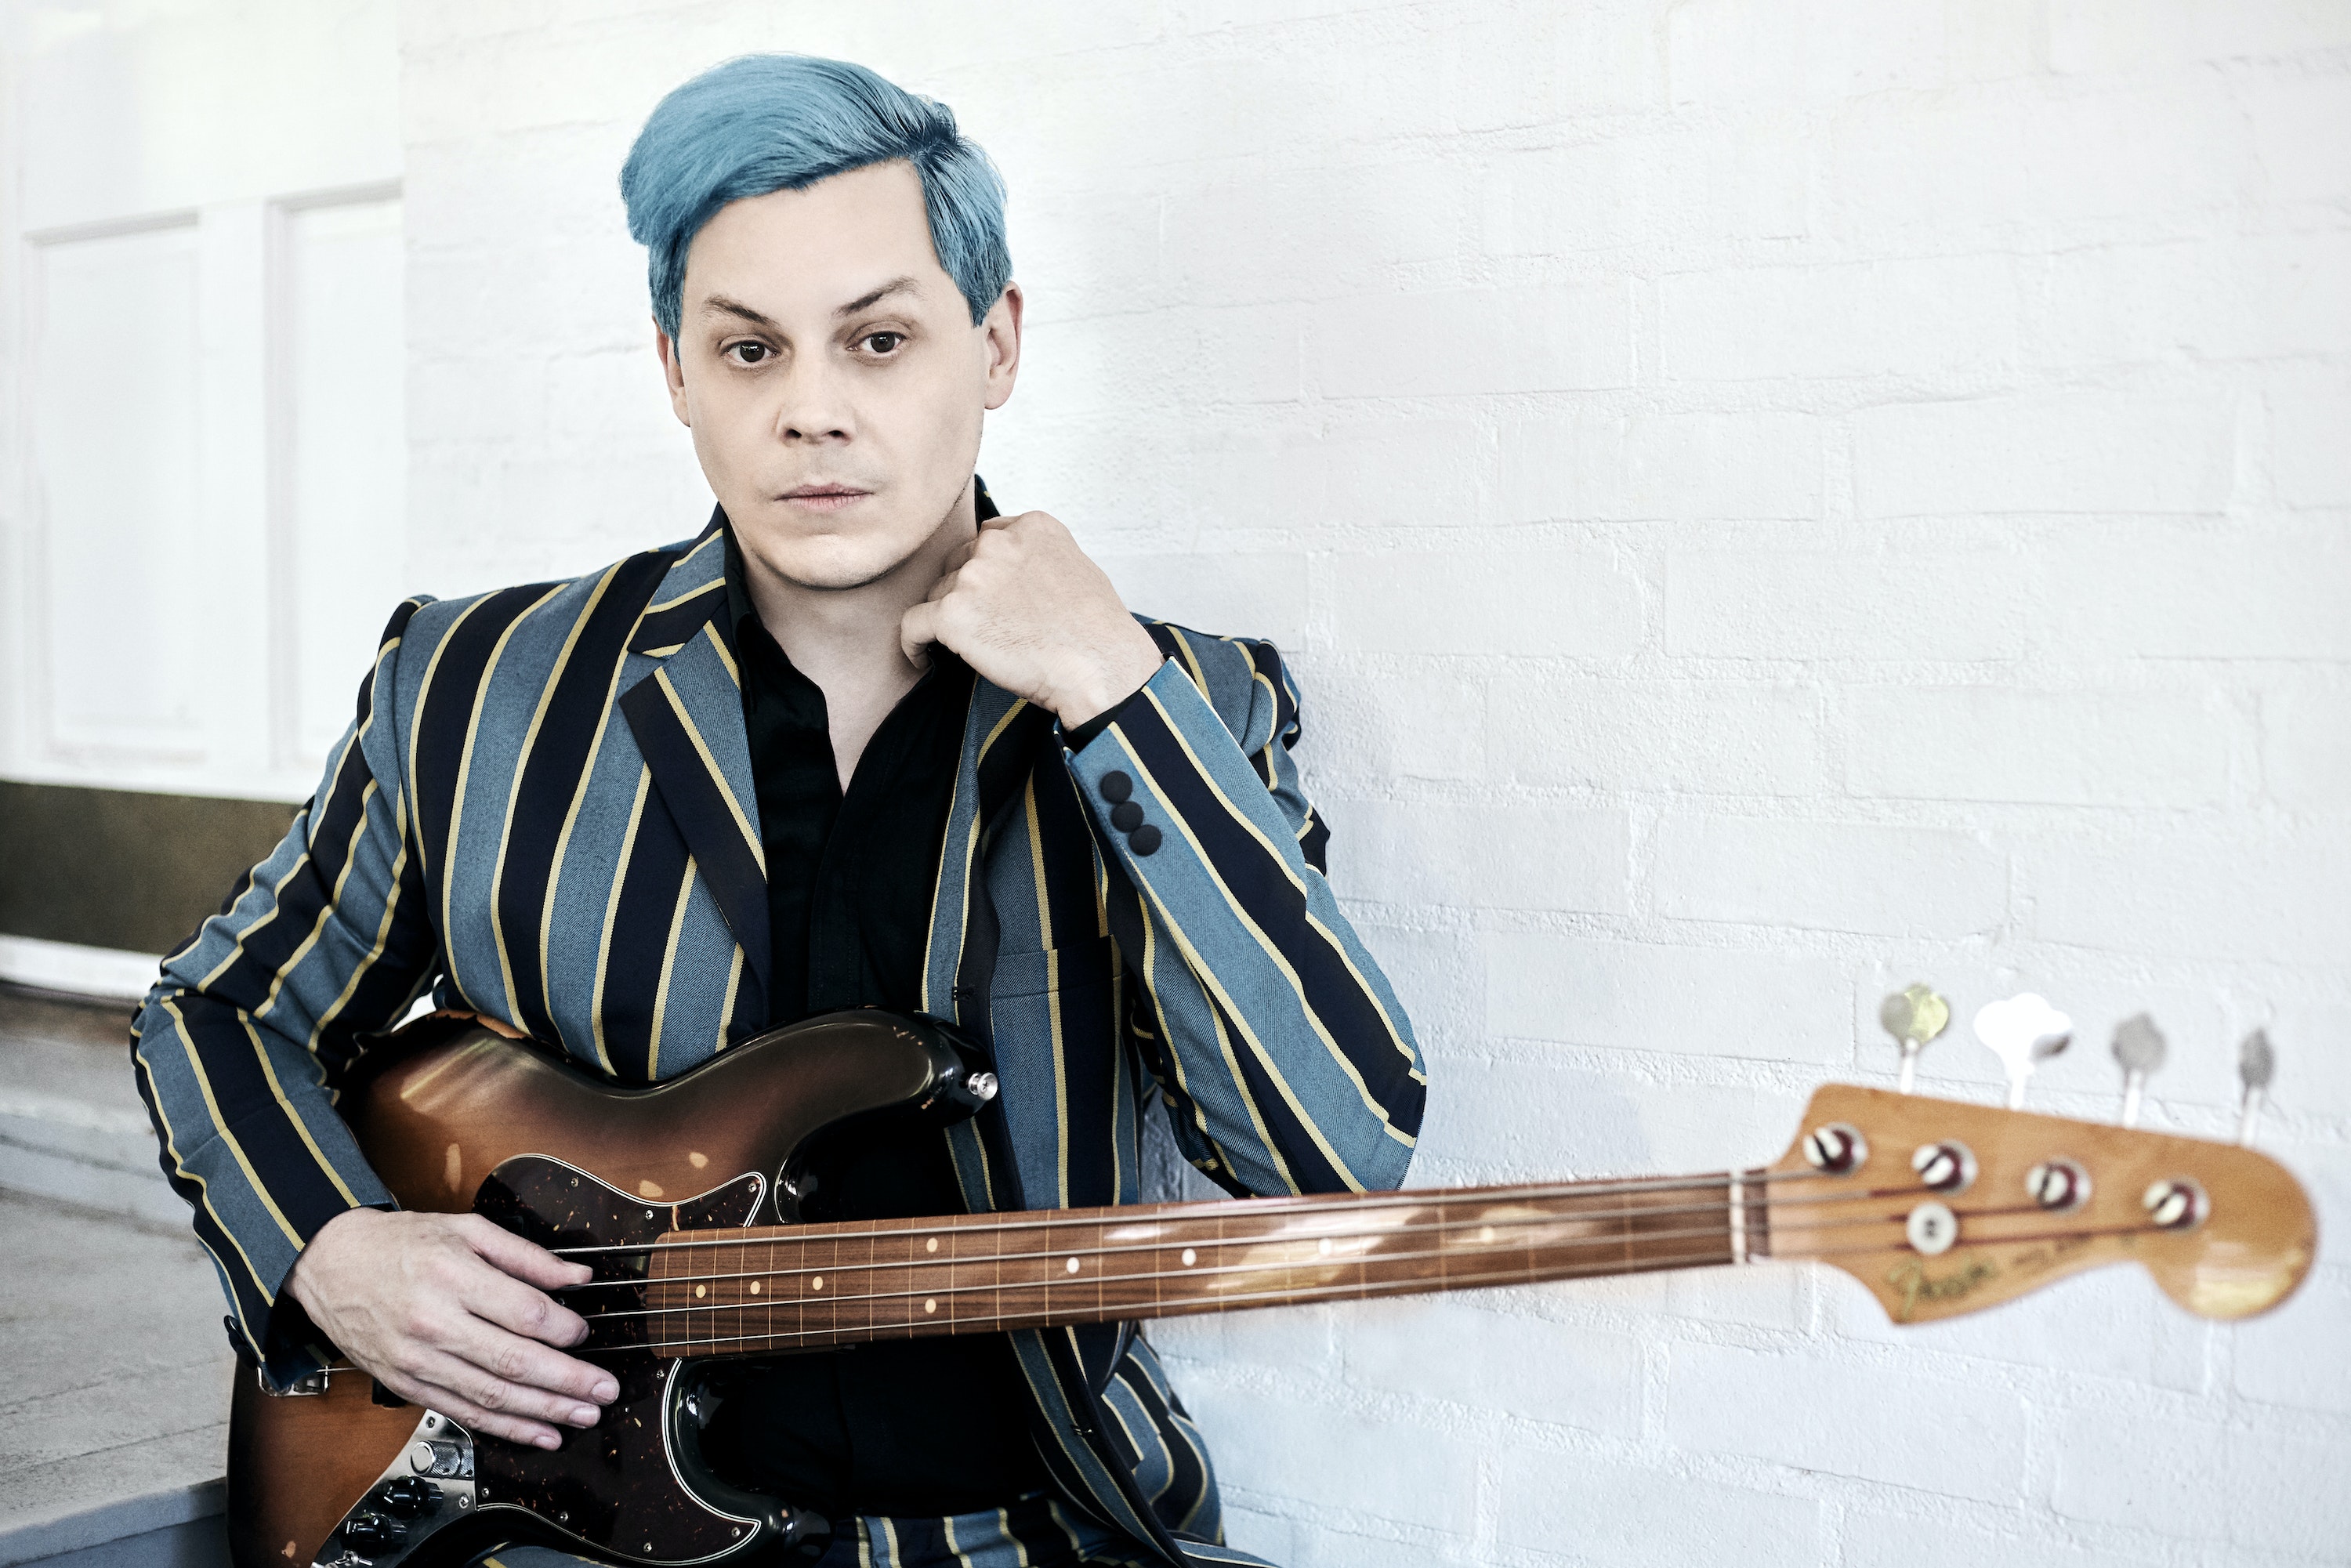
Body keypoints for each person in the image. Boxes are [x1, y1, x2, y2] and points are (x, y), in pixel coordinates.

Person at [130, 53, 1424, 1568]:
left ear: (994, 345)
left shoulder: (1188, 704)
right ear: (675, 368)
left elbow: (1330, 1166)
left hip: (1025, 1532)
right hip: (555, 1537)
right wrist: (332, 1250)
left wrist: (1111, 691)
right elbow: (218, 1009)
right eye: (749, 352)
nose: (813, 412)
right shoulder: (473, 685)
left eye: (878, 339)